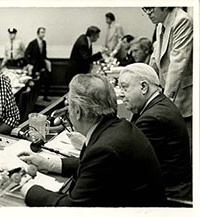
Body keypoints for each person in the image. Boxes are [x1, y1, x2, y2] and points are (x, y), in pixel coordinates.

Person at [17, 74, 165, 207]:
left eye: (68, 105)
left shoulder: (105, 149)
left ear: (77, 111)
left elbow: (71, 209)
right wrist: (48, 163)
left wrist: (27, 186)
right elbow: (89, 165)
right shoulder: (117, 126)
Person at [119, 63, 192, 201]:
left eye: (124, 87)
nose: (121, 93)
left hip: (168, 194)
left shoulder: (152, 118)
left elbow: (126, 161)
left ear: (144, 87)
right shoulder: (157, 104)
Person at [143, 7, 193, 149]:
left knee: (185, 147)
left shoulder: (182, 20)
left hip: (183, 97)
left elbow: (177, 65)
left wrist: (165, 104)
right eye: (144, 9)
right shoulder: (160, 24)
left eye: (150, 8)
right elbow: (155, 58)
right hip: (168, 96)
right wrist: (141, 79)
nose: (147, 13)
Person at [25, 27, 51, 101]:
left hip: (42, 66)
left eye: (44, 32)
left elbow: (44, 55)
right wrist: (30, 64)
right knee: (34, 84)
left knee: (47, 80)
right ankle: (33, 99)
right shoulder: (32, 43)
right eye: (41, 32)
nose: (43, 34)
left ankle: (45, 97)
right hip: (34, 67)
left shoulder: (44, 43)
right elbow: (26, 54)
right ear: (38, 33)